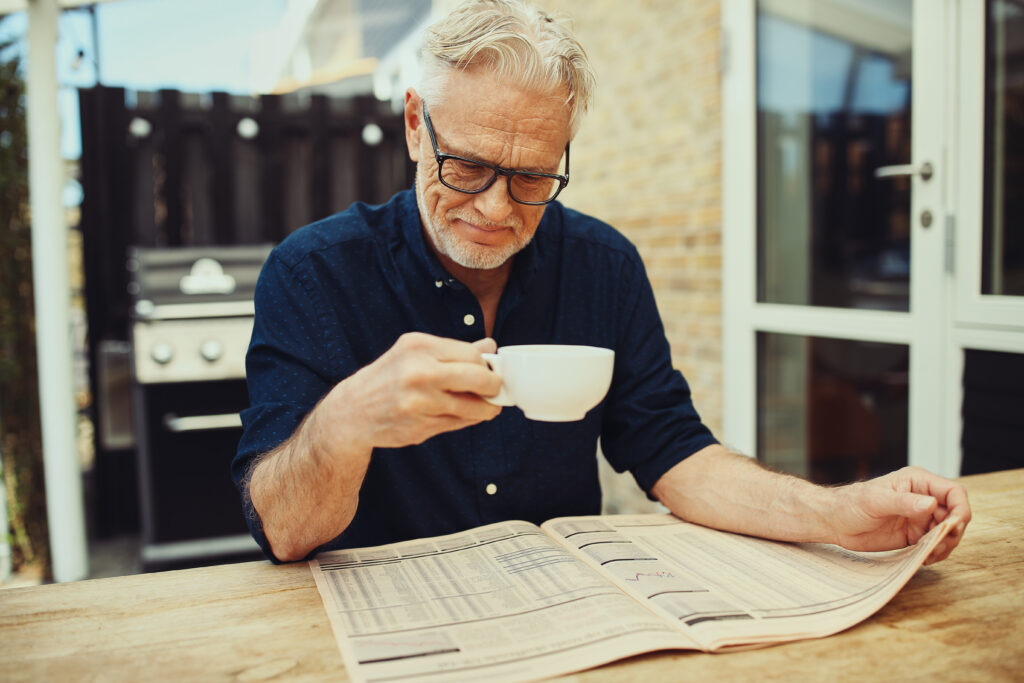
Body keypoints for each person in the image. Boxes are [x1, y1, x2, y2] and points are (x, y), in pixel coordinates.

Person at [233, 0, 970, 564]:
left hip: (563, 609)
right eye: (466, 166)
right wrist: (350, 418)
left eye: (531, 177)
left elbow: (675, 452)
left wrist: (843, 514)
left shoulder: (602, 264)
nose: (495, 208)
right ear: (415, 124)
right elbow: (283, 530)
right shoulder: (314, 272)